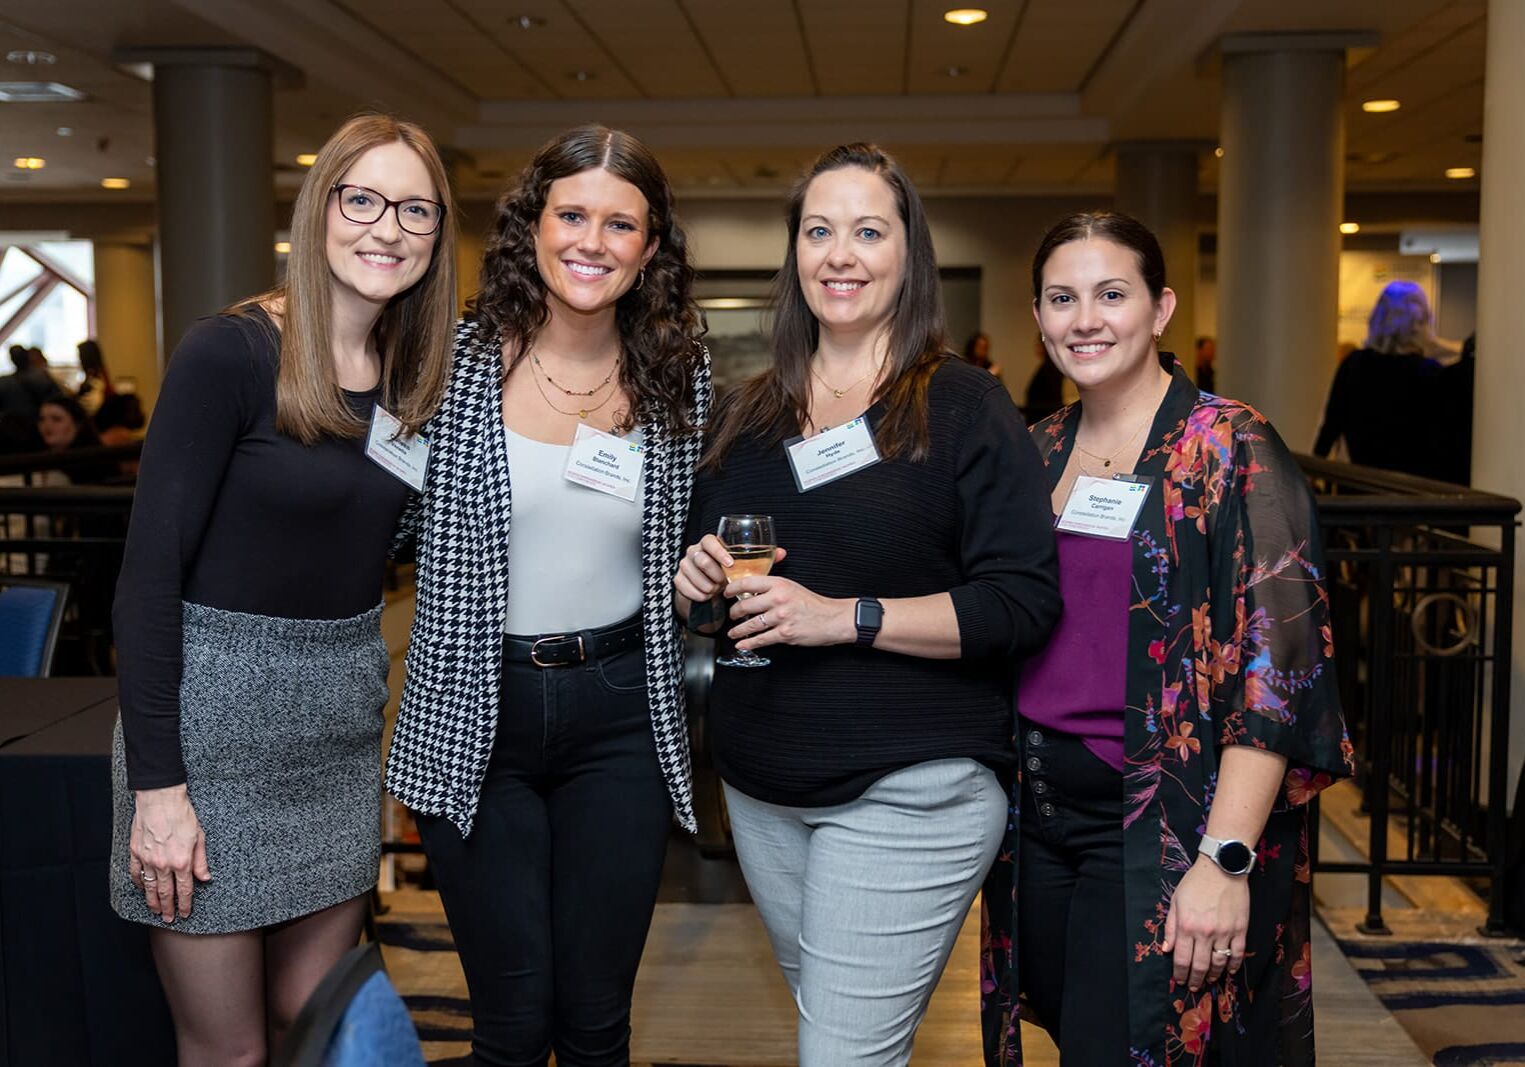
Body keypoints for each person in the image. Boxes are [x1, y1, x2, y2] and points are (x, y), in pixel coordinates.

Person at [674, 143, 1061, 1066]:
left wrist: (844, 615)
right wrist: (695, 587)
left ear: (907, 252)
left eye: (867, 232)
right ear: (794, 254)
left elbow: (1020, 603)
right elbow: (716, 604)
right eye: (818, 231)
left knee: (841, 1054)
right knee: (845, 1039)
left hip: (911, 787)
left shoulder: (963, 405)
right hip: (762, 791)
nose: (839, 254)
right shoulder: (744, 415)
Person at [109, 113, 457, 1063]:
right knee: (229, 1051)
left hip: (336, 739)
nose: (387, 228)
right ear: (319, 209)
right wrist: (159, 789)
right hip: (210, 739)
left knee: (315, 1027)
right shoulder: (230, 353)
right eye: (363, 200)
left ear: (437, 235)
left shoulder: (414, 378)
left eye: (415, 210)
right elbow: (147, 582)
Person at [980, 211, 1354, 1066]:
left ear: (1160, 308)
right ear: (1037, 317)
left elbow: (1278, 670)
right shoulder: (1036, 450)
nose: (1085, 320)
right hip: (1036, 822)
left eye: (1111, 294)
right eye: (1061, 298)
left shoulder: (1230, 448)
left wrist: (1224, 860)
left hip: (1163, 828)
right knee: (1079, 1035)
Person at [387, 125, 710, 1066]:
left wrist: (700, 575)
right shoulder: (448, 361)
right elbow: (381, 517)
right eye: (572, 215)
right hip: (472, 711)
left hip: (620, 715)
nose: (591, 242)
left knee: (597, 1023)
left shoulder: (676, 370)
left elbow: (688, 535)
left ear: (650, 247)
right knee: (512, 1025)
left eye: (620, 224)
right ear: (532, 225)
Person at [1313, 280, 1444, 476]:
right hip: (1414, 486)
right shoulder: (1429, 372)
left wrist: (1314, 468)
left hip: (1360, 481)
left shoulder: (1354, 364)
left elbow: (1331, 425)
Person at [1023, 331, 1065, 423]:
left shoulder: (1051, 368)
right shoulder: (1048, 366)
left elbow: (1053, 401)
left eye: (1038, 345)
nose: (1036, 348)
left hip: (1046, 419)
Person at [76, 338, 115, 415]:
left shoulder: (96, 380)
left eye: (80, 356)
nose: (79, 360)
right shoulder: (97, 374)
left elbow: (90, 407)